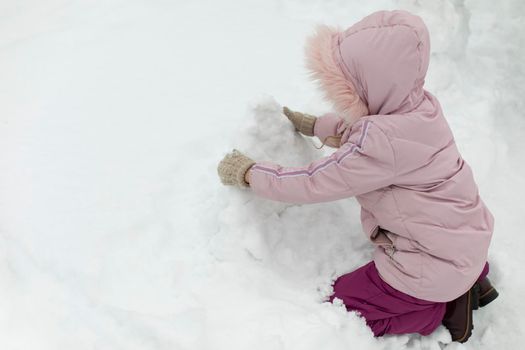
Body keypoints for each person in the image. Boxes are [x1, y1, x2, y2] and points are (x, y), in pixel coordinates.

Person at [216, 10, 498, 343]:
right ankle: (470, 282)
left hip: (431, 271)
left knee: (342, 308)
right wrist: (314, 125)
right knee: (449, 266)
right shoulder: (421, 109)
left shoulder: (379, 143)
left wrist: (250, 173)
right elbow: (369, 138)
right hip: (469, 242)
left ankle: (439, 310)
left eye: (348, 86)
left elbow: (313, 181)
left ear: (369, 85)